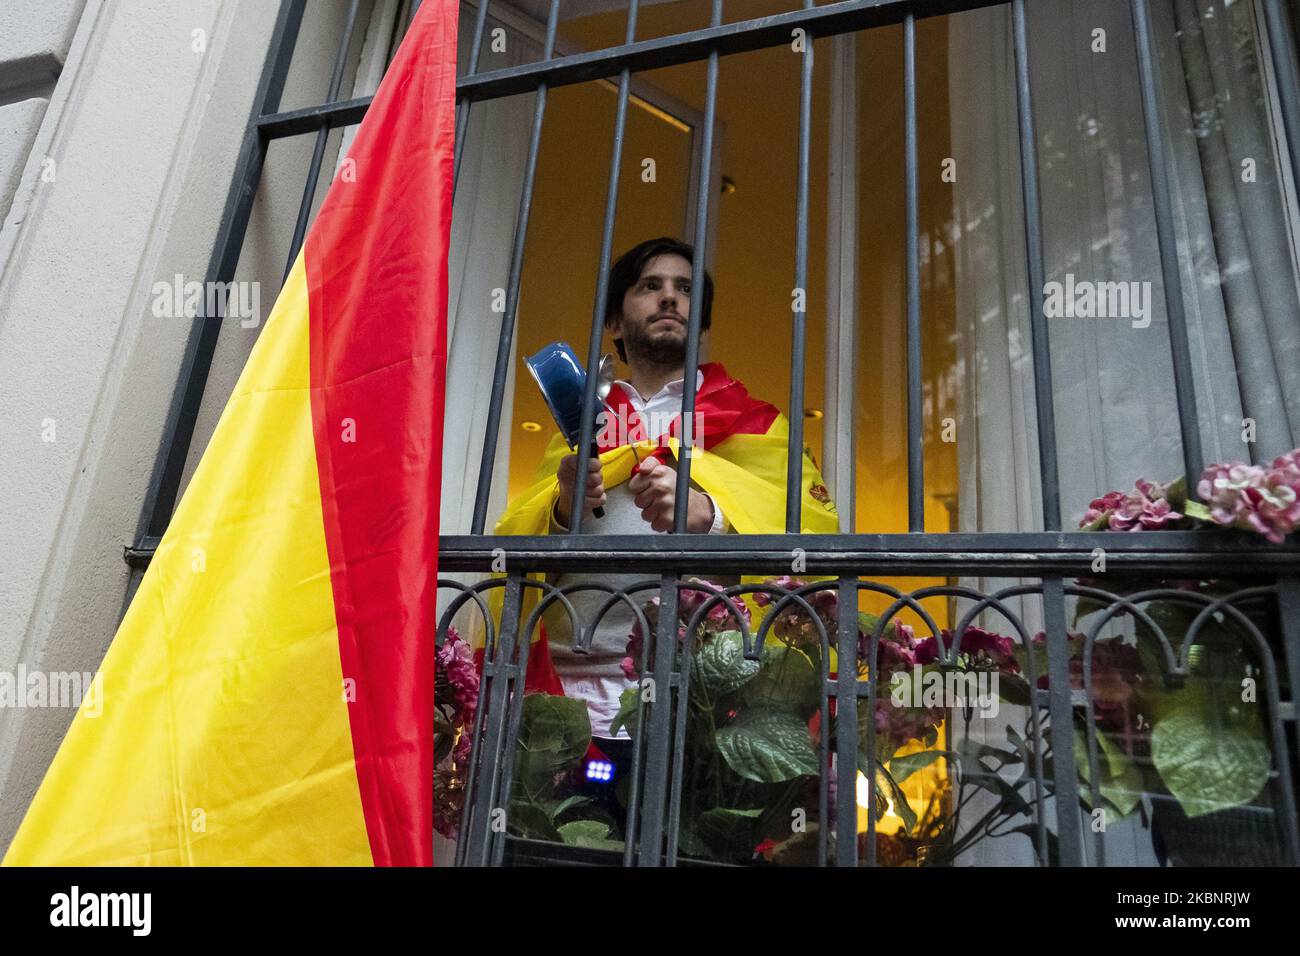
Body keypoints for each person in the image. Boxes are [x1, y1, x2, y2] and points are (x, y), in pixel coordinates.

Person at [490, 236, 839, 791]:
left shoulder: (758, 426)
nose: (669, 298)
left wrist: (713, 518)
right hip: (560, 711)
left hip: (698, 710)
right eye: (650, 286)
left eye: (684, 289)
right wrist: (561, 513)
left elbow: (817, 547)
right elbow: (513, 553)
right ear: (614, 320)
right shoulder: (580, 423)